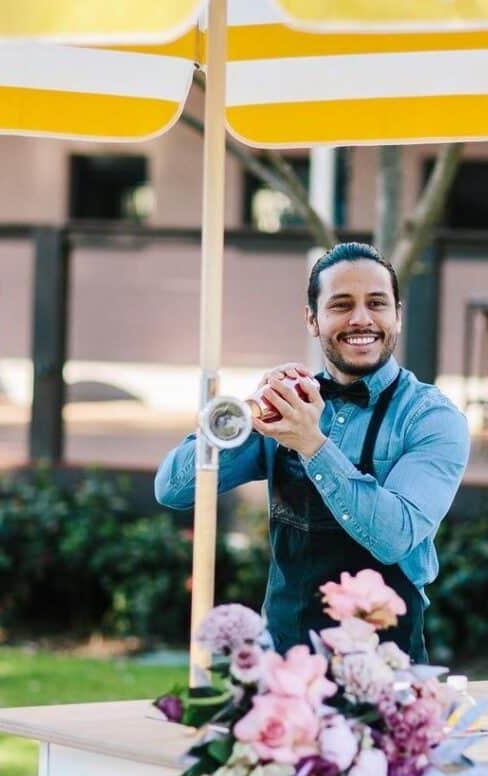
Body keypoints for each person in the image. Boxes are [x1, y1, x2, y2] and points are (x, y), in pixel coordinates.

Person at [155, 242, 470, 662]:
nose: (361, 319)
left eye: (376, 303)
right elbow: (172, 489)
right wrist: (246, 418)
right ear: (312, 320)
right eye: (341, 305)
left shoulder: (430, 418)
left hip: (385, 669)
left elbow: (394, 538)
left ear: (398, 313)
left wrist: (311, 444)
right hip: (283, 667)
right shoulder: (287, 407)